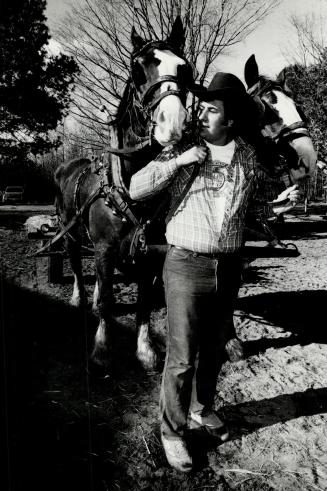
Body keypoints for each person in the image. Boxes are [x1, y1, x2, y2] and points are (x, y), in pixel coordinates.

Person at [129, 72, 300, 473]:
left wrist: (278, 206)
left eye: (211, 109)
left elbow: (248, 212)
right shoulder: (184, 148)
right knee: (182, 356)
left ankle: (201, 410)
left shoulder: (248, 158)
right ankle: (172, 431)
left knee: (213, 354)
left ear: (232, 119)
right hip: (186, 264)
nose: (201, 115)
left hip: (228, 267)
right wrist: (180, 162)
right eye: (201, 108)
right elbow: (136, 187)